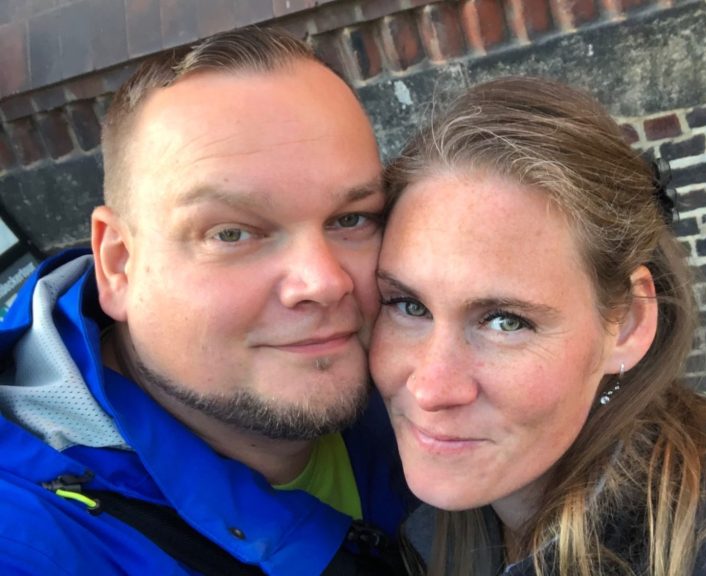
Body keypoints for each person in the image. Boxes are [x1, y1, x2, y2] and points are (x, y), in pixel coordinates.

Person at [0, 25, 409, 575]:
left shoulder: (424, 358)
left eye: (351, 219)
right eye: (231, 233)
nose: (324, 282)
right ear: (118, 264)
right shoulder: (29, 542)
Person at [371, 76, 706, 576]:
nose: (430, 390)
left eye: (505, 321)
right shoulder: (414, 523)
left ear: (626, 323)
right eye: (408, 306)